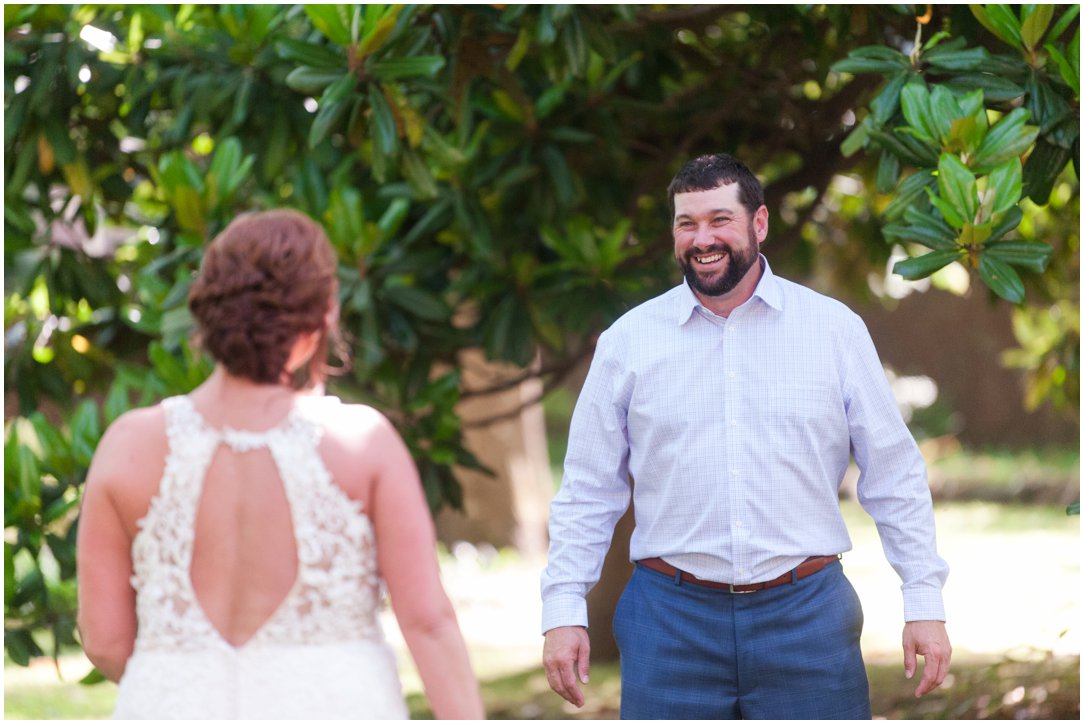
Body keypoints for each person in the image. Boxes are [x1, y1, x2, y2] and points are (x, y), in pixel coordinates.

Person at [540, 153, 951, 719]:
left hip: (807, 616)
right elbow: (588, 489)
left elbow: (894, 473)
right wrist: (563, 610)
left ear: (758, 224)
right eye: (687, 224)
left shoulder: (833, 331)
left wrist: (923, 601)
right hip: (668, 621)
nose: (702, 238)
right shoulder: (627, 342)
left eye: (719, 220)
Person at [76, 209, 485, 719]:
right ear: (319, 320)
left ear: (208, 311)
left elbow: (105, 641)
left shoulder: (128, 445)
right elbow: (428, 622)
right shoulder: (360, 442)